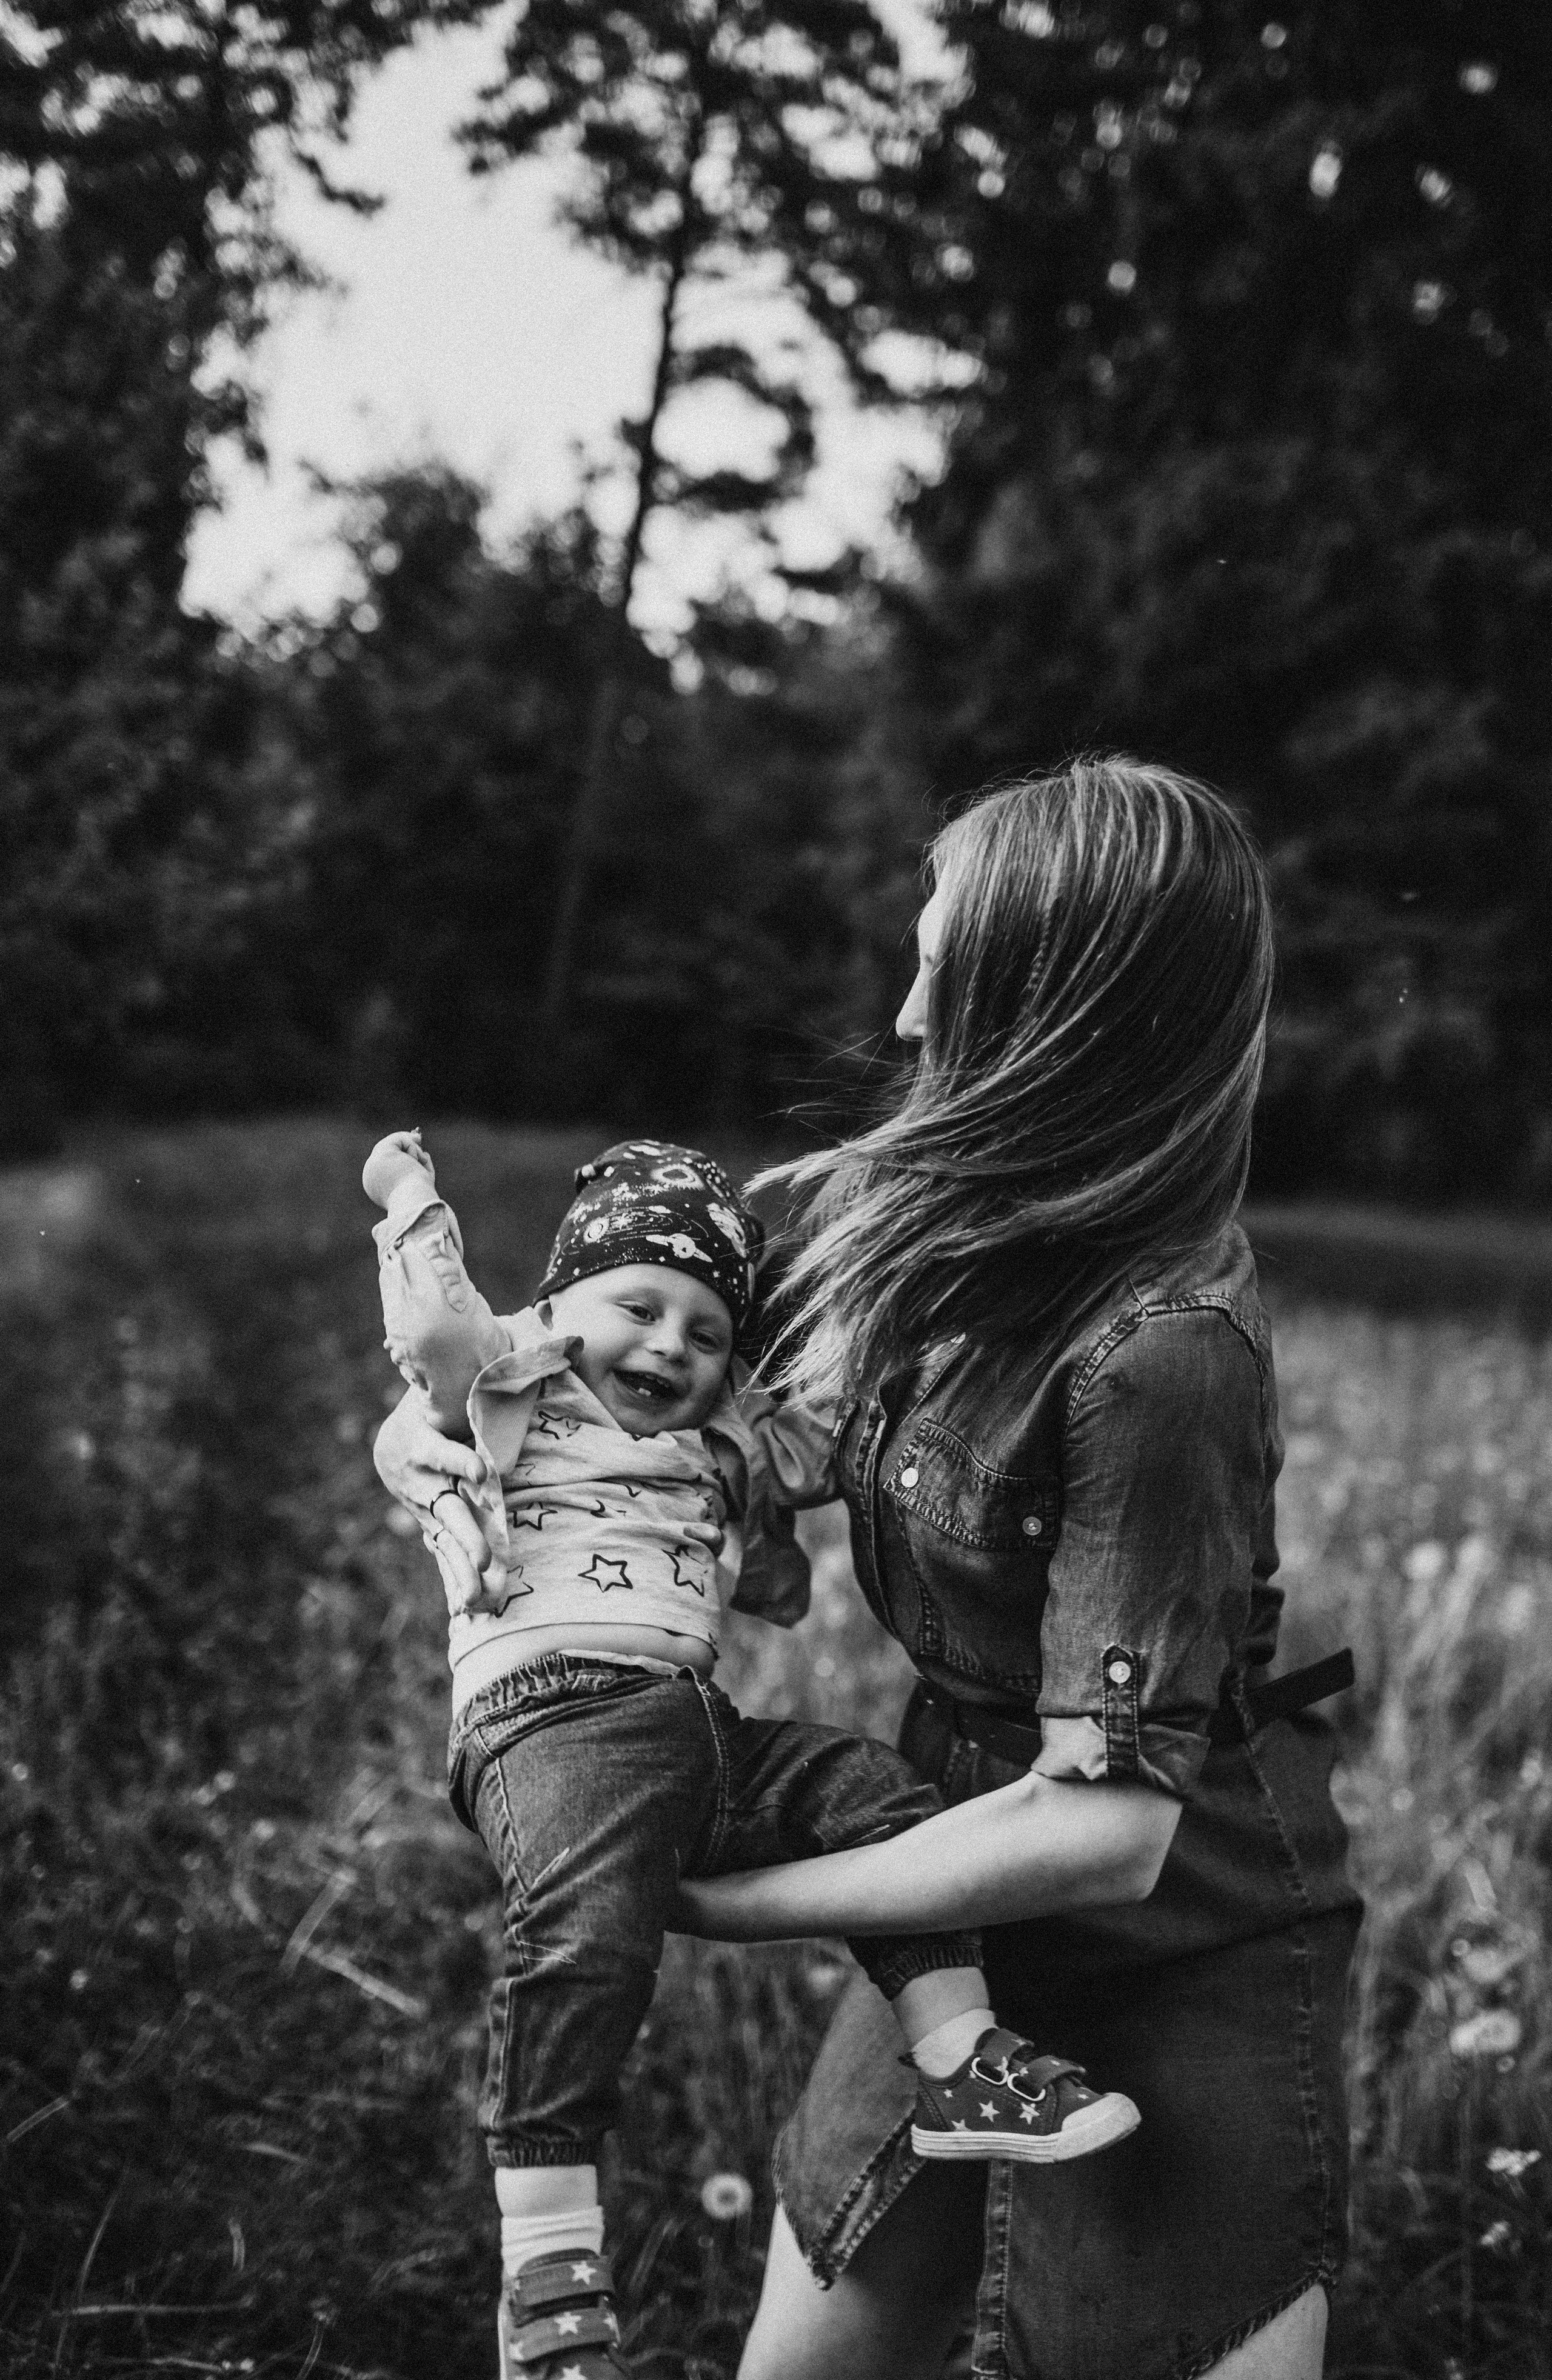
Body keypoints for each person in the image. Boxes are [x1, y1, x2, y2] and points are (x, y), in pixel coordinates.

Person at [661, 758, 1364, 2380]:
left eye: (941, 967)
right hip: (953, 1882)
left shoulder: (1162, 1354)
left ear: (1054, 1015)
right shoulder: (904, 1229)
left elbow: (1107, 1832)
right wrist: (451, 1433)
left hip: (1192, 1924)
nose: (905, 1016)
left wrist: (723, 1900)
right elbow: (616, 1375)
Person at [364, 1130, 1139, 2380]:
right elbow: (436, 1329)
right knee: (585, 1941)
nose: (669, 1343)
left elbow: (834, 1430)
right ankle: (549, 2271)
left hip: (694, 1732)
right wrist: (410, 1202)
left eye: (704, 1327)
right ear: (557, 1306)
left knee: (881, 1797)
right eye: (637, 1306)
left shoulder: (724, 1430)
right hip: (551, 1722)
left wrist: (917, 1294)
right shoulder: (514, 1381)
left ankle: (960, 2060)